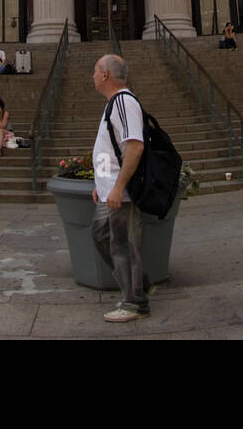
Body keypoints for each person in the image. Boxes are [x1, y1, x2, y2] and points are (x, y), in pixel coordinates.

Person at [90, 54, 152, 322]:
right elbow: (113, 148)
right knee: (101, 235)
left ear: (105, 75)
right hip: (109, 189)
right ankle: (140, 283)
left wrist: (118, 187)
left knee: (123, 245)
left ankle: (134, 302)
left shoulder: (124, 101)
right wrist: (101, 182)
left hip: (121, 193)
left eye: (95, 71)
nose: (92, 76)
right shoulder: (113, 104)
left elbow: (135, 146)